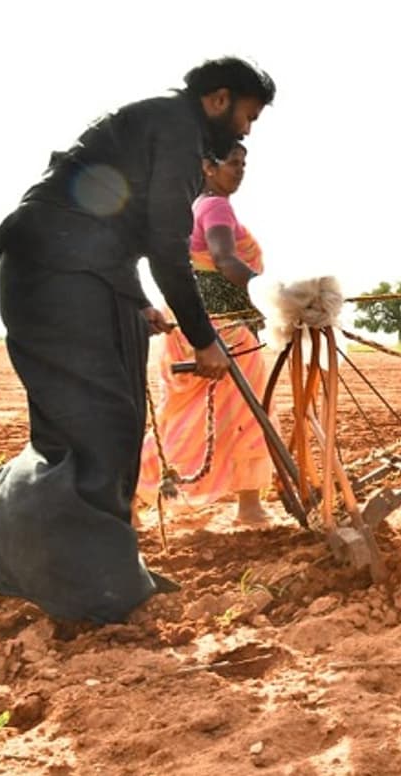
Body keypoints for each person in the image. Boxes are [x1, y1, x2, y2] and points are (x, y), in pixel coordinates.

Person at [0, 57, 277, 624]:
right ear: (218, 100)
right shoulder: (177, 128)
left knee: (106, 425)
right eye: (247, 116)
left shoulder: (158, 126)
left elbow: (114, 219)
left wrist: (136, 302)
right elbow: (167, 244)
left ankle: (87, 574)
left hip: (78, 271)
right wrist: (203, 339)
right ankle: (82, 584)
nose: (245, 131)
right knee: (93, 428)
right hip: (58, 273)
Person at [136, 143, 274, 524]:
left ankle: (129, 494)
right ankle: (249, 506)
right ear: (208, 168)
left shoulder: (196, 206)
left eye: (245, 163)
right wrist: (273, 292)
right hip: (221, 327)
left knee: (180, 418)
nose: (240, 170)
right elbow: (225, 258)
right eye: (233, 163)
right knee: (249, 408)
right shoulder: (215, 206)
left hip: (194, 321)